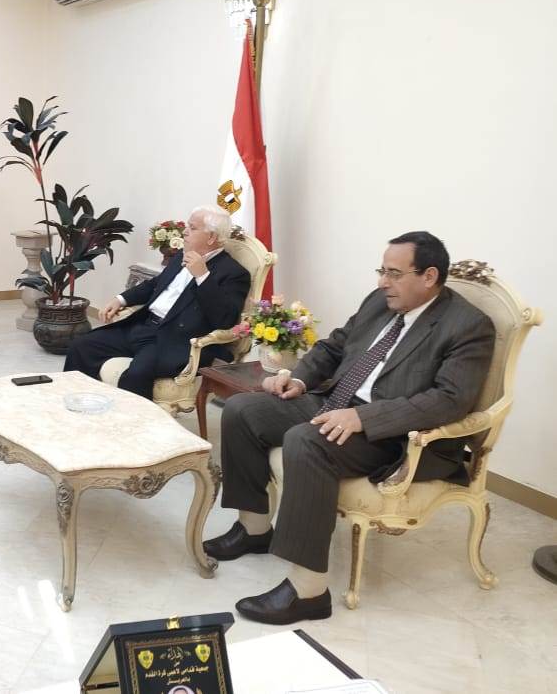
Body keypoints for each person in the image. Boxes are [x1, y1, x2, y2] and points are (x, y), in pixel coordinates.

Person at [205, 231, 495, 625]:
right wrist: (299, 379)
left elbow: (449, 400)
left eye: (394, 273)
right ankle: (254, 529)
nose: (382, 282)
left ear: (429, 276)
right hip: (336, 400)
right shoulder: (380, 301)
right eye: (382, 271)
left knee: (305, 441)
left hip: (393, 434)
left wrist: (364, 418)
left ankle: (308, 591)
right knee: (241, 410)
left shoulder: (468, 325)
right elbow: (335, 346)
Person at [64, 205, 250, 399]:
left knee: (136, 375)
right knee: (81, 346)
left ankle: (132, 418)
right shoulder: (181, 256)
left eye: (193, 228)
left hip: (176, 340)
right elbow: (155, 285)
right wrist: (121, 299)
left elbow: (225, 319)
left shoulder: (234, 273)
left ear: (211, 237)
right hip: (144, 326)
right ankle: (73, 403)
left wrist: (202, 276)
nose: (185, 231)